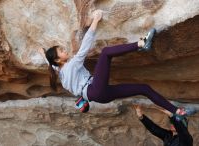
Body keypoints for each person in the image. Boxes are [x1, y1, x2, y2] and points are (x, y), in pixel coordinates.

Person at [37, 9, 194, 117]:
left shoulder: (62, 74)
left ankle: (178, 112)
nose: (66, 51)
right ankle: (141, 44)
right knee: (105, 53)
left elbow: (52, 66)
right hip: (95, 90)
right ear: (58, 59)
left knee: (144, 89)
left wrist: (44, 55)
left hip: (100, 96)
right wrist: (95, 21)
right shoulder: (71, 65)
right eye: (62, 51)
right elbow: (85, 46)